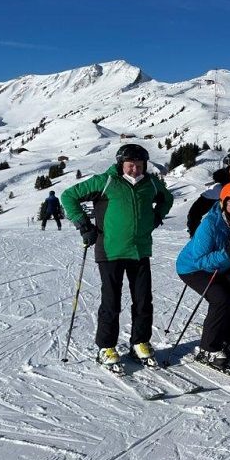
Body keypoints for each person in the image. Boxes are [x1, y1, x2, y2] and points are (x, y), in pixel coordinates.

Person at [61, 144, 173, 366]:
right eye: (131, 165)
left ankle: (140, 342)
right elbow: (68, 196)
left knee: (143, 300)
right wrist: (84, 225)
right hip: (110, 251)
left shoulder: (150, 183)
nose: (135, 170)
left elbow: (166, 199)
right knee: (111, 301)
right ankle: (106, 346)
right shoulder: (106, 181)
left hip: (139, 250)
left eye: (139, 165)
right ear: (121, 163)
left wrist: (156, 216)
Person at [176, 182, 230, 367]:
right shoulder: (210, 224)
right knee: (220, 298)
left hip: (224, 266)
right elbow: (200, 260)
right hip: (193, 268)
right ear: (224, 202)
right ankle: (208, 348)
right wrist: (226, 254)